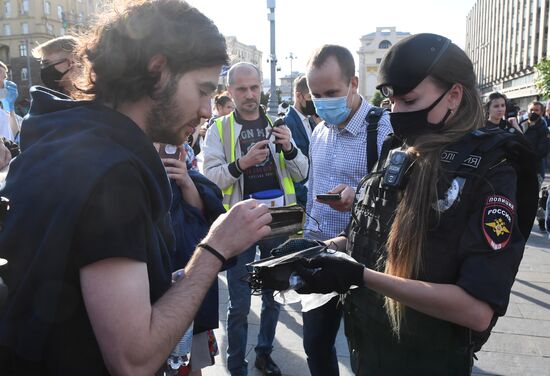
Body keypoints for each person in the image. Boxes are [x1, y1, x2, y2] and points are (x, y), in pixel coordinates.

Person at [0, 1, 272, 374]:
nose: (208, 110)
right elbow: (133, 359)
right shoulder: (113, 173)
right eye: (203, 90)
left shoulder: (63, 135)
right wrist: (215, 247)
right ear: (158, 71)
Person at [282, 33, 538, 375]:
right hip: (372, 352)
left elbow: (476, 310)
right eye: (392, 101)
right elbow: (376, 237)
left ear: (454, 95)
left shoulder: (491, 171)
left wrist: (362, 276)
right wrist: (320, 251)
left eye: (410, 100)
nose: (397, 113)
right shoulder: (399, 151)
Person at [202, 62, 308, 376]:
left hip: (280, 218)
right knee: (239, 304)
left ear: (261, 87)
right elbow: (210, 179)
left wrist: (289, 148)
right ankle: (236, 366)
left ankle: (264, 352)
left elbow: (302, 173)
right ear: (230, 92)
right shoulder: (219, 129)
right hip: (240, 221)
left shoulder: (278, 122)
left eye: (254, 87)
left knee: (275, 296)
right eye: (241, 89)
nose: (249, 95)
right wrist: (242, 163)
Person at [300, 44, 392, 376]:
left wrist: (360, 196)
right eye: (316, 94)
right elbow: (312, 189)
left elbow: (401, 199)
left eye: (332, 92)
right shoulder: (319, 131)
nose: (324, 102)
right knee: (316, 344)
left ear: (353, 83)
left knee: (369, 350)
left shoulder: (384, 130)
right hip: (320, 251)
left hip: (368, 258)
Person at [160, 143, 226, 375]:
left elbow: (200, 214)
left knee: (190, 366)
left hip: (183, 270)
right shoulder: (121, 147)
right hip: (146, 279)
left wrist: (186, 180)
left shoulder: (180, 148)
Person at [283, 75, 317, 207]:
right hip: (302, 200)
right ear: (299, 96)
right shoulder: (287, 123)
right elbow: (288, 168)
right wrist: (306, 196)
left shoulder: (311, 121)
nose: (314, 101)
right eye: (310, 97)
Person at [522, 101, 549, 183]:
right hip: (520, 168)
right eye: (531, 110)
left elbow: (542, 151)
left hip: (536, 169)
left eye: (536, 110)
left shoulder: (543, 129)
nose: (533, 112)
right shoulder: (521, 125)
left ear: (541, 113)